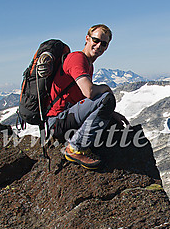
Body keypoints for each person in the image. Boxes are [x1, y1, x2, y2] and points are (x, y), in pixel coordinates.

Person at [46, 24, 128, 169]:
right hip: (57, 121)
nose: (98, 46)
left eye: (104, 43)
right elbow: (89, 92)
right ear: (87, 39)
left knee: (107, 107)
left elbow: (82, 99)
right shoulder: (77, 59)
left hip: (64, 118)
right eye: (95, 40)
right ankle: (74, 148)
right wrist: (106, 89)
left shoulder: (88, 65)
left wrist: (110, 112)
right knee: (107, 97)